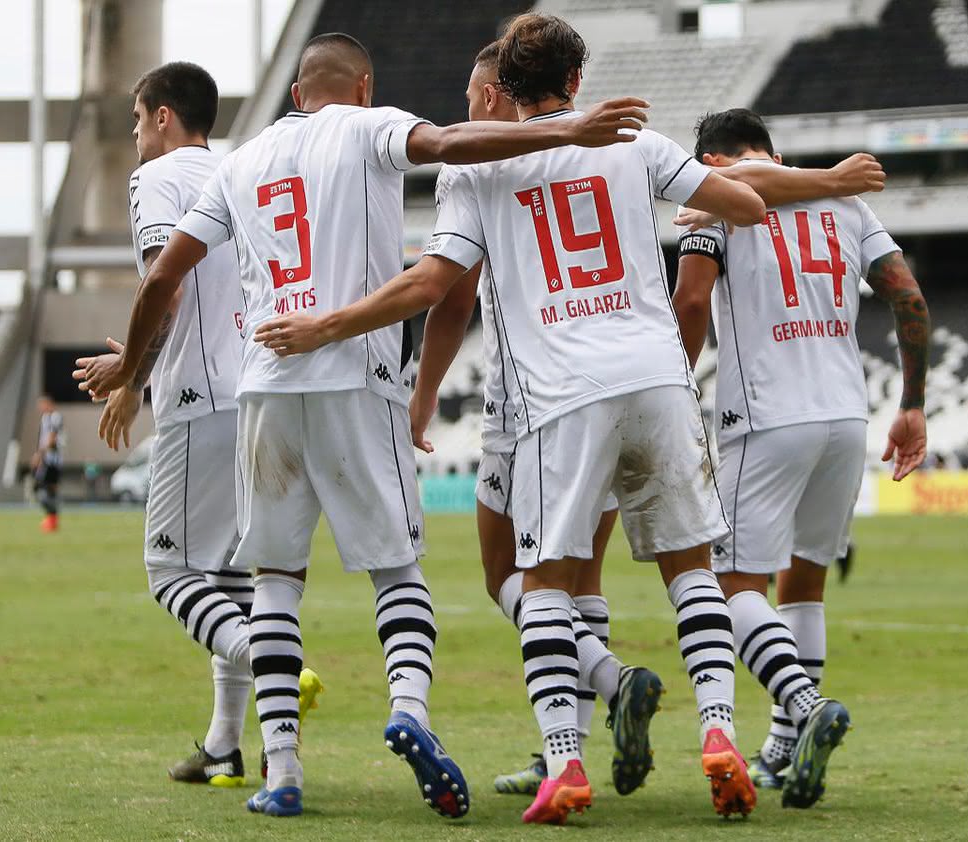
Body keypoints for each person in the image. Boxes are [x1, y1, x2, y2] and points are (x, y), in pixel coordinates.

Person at [248, 15, 886, 825]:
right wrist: (785, 188)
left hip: (561, 391)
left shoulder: (480, 175)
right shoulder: (635, 143)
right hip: (659, 377)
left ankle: (563, 760)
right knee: (692, 570)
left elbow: (430, 287)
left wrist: (325, 327)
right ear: (576, 82)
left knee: (545, 581)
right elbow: (745, 205)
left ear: (498, 91)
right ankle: (721, 735)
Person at [78, 31, 648, 821]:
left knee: (273, 581)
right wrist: (562, 129)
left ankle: (281, 771)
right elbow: (449, 142)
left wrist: (130, 368)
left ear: (295, 93)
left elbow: (164, 276)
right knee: (396, 569)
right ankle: (408, 710)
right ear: (364, 85)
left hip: (266, 382)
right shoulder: (369, 126)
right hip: (356, 372)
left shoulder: (242, 162)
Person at [73, 60, 323, 791]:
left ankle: (269, 659)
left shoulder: (158, 179)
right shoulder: (239, 170)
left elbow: (168, 287)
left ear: (160, 116)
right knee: (226, 575)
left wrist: (131, 375)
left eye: (136, 119)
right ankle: (231, 745)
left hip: (202, 392)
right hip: (260, 383)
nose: (135, 136)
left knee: (170, 571)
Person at [409, 41, 647, 799]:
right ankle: (565, 746)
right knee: (583, 579)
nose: (472, 106)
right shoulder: (603, 153)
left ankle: (605, 688)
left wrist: (419, 395)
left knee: (510, 577)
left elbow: (449, 296)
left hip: (528, 401)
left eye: (475, 94)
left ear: (491, 96)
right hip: (623, 380)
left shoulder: (477, 167)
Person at [674, 108, 929, 808]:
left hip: (766, 413)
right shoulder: (841, 202)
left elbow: (693, 300)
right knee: (805, 585)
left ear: (714, 161)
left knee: (733, 587)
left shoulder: (714, 204)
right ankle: (785, 749)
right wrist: (912, 404)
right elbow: (906, 294)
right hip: (846, 414)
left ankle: (806, 704)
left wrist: (673, 387)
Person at [31, 395, 63, 532]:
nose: (40, 408)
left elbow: (52, 438)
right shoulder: (45, 418)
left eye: (42, 405)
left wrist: (40, 454)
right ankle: (51, 519)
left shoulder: (55, 417)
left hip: (52, 460)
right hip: (46, 459)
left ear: (49, 404)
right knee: (43, 489)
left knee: (47, 490)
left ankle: (52, 520)